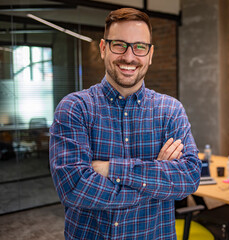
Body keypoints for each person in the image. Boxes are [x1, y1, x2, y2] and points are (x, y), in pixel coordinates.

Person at [49, 8, 201, 240]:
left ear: (150, 54)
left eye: (140, 47)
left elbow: (189, 177)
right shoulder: (75, 108)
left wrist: (111, 169)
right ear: (103, 48)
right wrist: (154, 181)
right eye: (119, 44)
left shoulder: (170, 111)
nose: (129, 57)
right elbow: (74, 187)